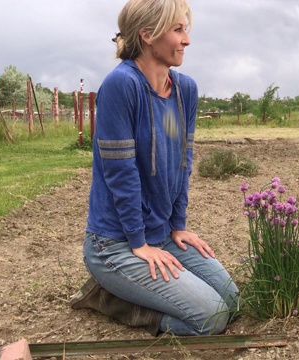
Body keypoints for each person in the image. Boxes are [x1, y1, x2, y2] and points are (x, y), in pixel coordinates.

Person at [70, 0, 240, 337]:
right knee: (211, 319)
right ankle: (110, 298)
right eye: (178, 29)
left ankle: (139, 284)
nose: (187, 40)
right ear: (147, 35)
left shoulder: (184, 91)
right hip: (116, 244)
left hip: (162, 235)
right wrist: (139, 242)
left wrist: (177, 226)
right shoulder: (122, 86)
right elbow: (122, 172)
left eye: (185, 29)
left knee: (233, 303)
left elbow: (181, 160)